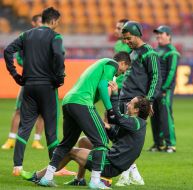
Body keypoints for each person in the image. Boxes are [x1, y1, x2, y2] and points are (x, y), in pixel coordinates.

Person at [22, 82, 151, 189]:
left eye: (131, 103)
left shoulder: (136, 122)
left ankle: (38, 175)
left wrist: (115, 95)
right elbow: (115, 134)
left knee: (70, 152)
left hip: (110, 164)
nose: (127, 104)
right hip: (114, 161)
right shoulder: (136, 123)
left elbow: (117, 117)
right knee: (84, 140)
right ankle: (79, 179)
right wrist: (100, 124)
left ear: (136, 110)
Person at [34, 52, 131, 189]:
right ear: (122, 63)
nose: (122, 73)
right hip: (82, 102)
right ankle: (95, 181)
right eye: (124, 69)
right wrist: (110, 110)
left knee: (66, 144)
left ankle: (47, 178)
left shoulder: (99, 64)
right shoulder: (112, 64)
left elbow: (100, 86)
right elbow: (103, 86)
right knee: (102, 141)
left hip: (69, 101)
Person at [4, 7, 65, 176]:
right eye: (57, 23)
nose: (57, 26)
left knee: (25, 126)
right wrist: (59, 77)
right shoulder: (55, 36)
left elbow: (8, 50)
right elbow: (59, 55)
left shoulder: (26, 35)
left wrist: (15, 74)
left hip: (28, 86)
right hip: (47, 86)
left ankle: (17, 166)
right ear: (53, 21)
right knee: (51, 129)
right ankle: (54, 169)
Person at [114, 21, 161, 186]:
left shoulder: (149, 53)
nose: (126, 41)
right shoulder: (132, 52)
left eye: (128, 38)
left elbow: (155, 77)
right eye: (124, 39)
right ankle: (133, 173)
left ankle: (125, 176)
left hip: (135, 102)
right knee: (120, 138)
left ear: (137, 34)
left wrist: (148, 101)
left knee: (126, 141)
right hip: (124, 98)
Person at [1, 14, 45, 151]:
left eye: (43, 21)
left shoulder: (49, 38)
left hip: (44, 81)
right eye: (39, 21)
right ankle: (11, 139)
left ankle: (37, 140)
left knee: (42, 112)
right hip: (29, 79)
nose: (42, 23)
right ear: (33, 22)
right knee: (19, 110)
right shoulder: (26, 37)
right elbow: (18, 57)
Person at [149, 25, 180, 153]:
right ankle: (158, 144)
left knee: (166, 116)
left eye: (161, 33)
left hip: (164, 91)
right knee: (154, 116)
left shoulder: (172, 52)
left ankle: (171, 144)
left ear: (169, 36)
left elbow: (171, 72)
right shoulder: (156, 50)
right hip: (155, 90)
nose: (158, 36)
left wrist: (164, 88)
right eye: (157, 34)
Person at [113, 18, 131, 92]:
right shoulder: (117, 44)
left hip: (128, 85)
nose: (115, 31)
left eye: (119, 28)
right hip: (117, 83)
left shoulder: (131, 45)